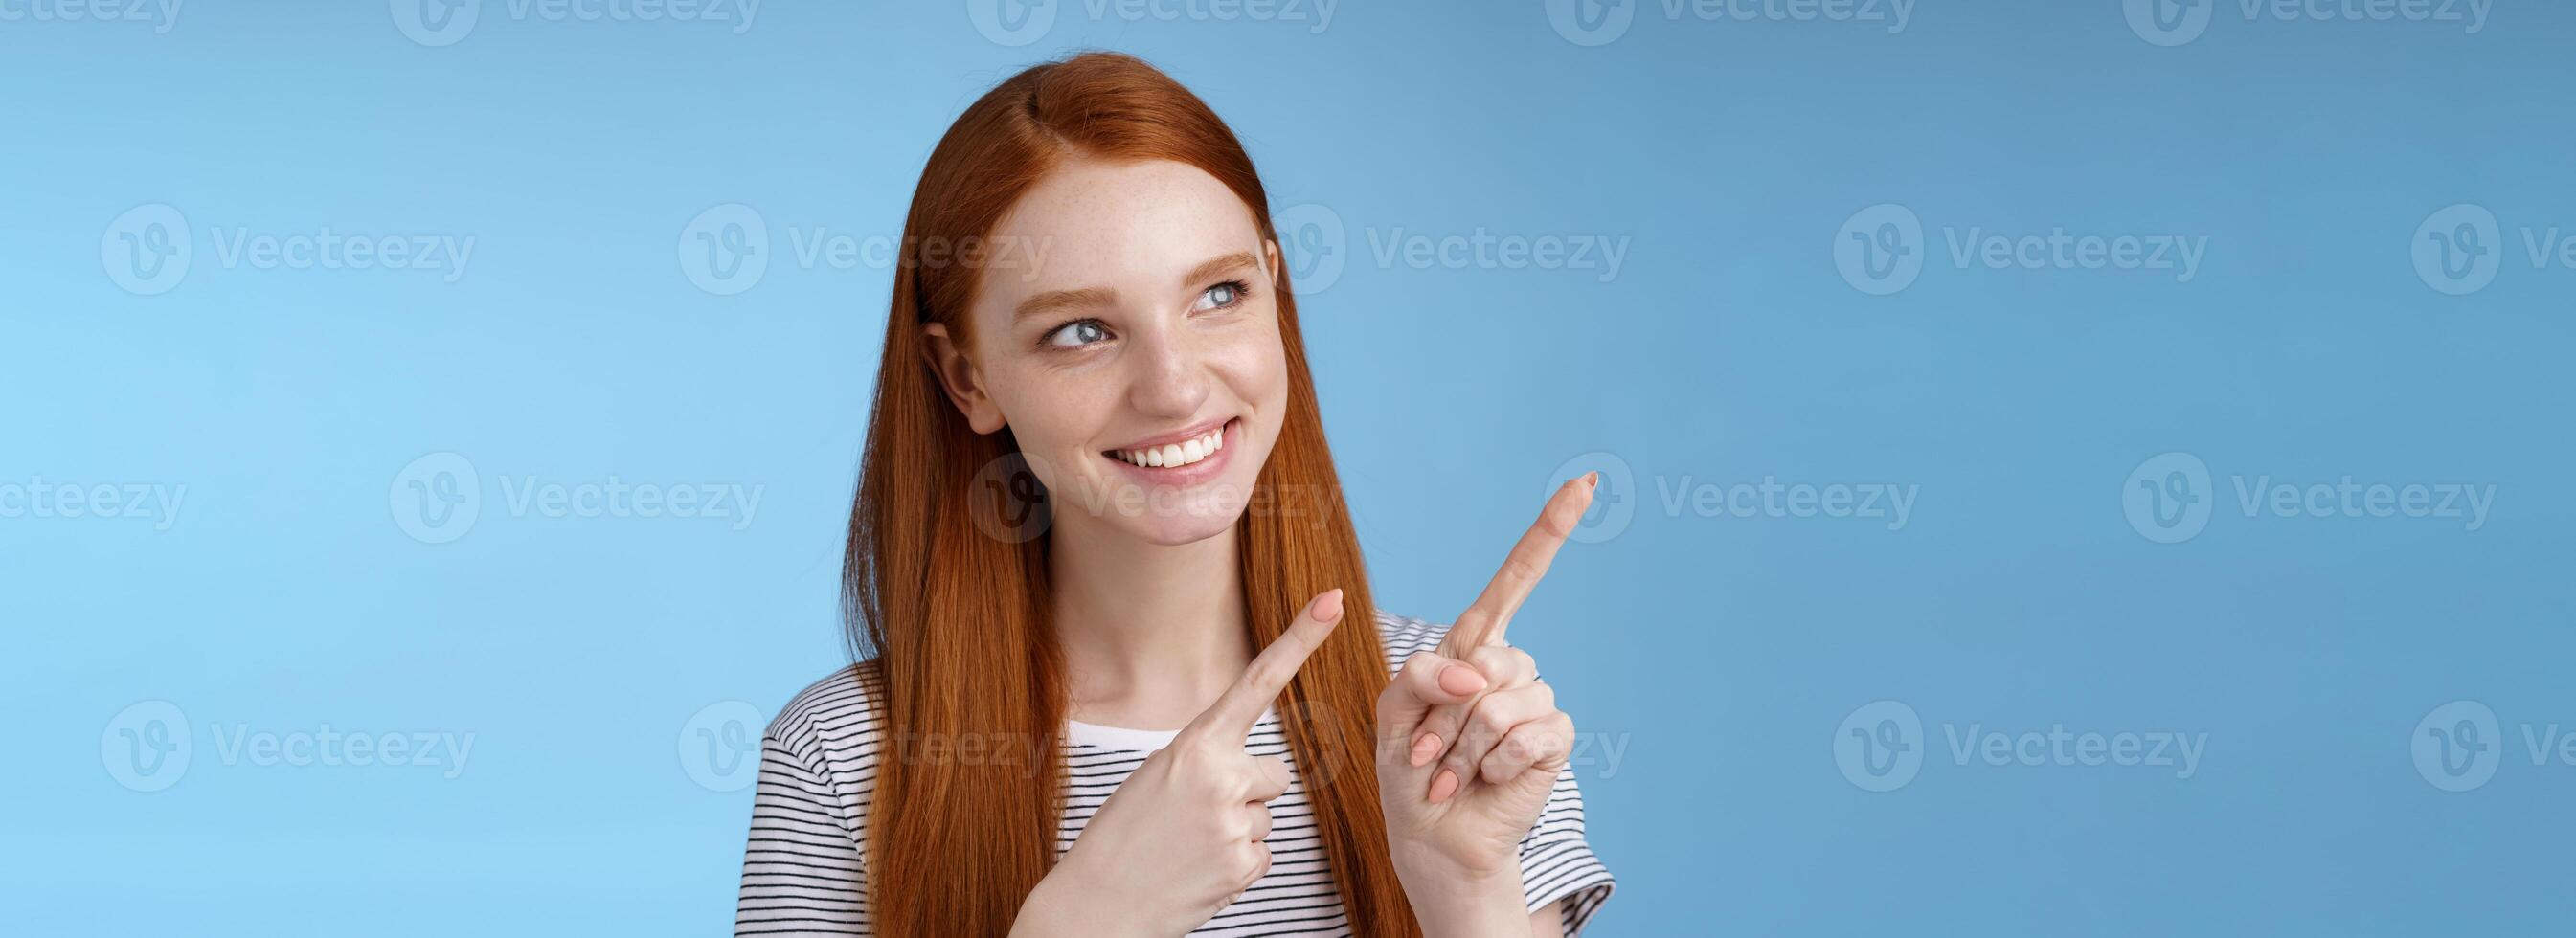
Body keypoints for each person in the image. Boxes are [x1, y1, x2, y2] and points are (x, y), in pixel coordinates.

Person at [733, 52, 1614, 937]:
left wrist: (1461, 891)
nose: (1173, 389)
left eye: (1219, 293)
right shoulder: (843, 757)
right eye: (1081, 330)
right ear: (966, 379)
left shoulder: (1455, 720)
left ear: (1276, 292)